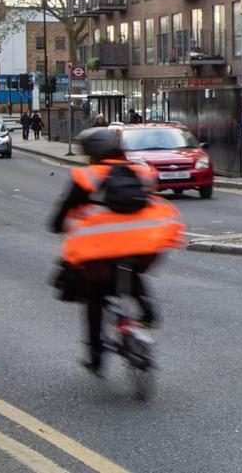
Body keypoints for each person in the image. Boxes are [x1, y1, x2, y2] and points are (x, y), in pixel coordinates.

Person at [50, 126, 186, 373]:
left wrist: (57, 225)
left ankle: (95, 355)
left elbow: (64, 211)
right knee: (132, 271)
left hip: (100, 254)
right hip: (144, 247)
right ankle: (147, 311)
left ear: (90, 152)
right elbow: (152, 198)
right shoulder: (141, 172)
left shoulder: (87, 177)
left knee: (94, 294)